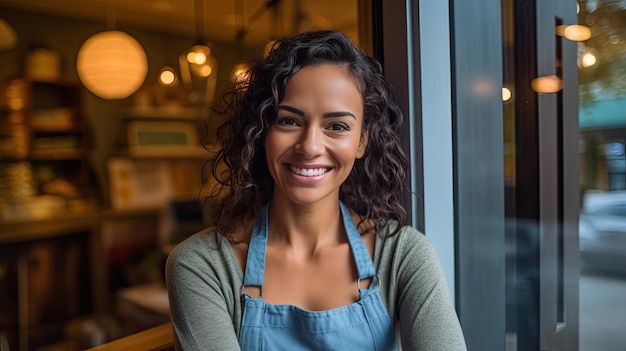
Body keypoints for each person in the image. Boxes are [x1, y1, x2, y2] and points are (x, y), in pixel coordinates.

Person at [165, 30, 466, 350]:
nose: (309, 147)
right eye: (289, 121)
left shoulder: (403, 256)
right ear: (262, 131)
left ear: (362, 141)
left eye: (337, 126)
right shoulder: (203, 266)